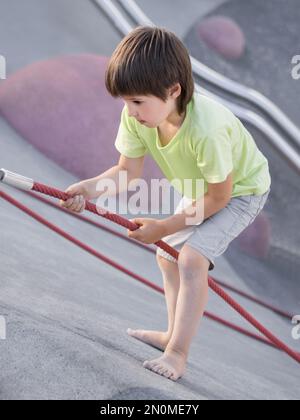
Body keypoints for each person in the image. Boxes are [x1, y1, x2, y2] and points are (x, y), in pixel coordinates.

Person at [59, 26, 271, 381]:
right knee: (166, 253)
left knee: (191, 258)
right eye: (126, 101)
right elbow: (126, 172)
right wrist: (89, 189)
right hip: (201, 185)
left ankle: (177, 353)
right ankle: (170, 334)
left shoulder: (207, 130)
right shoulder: (137, 117)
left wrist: (164, 226)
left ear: (174, 91)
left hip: (240, 192)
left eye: (138, 101)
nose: (131, 111)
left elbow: (219, 197)